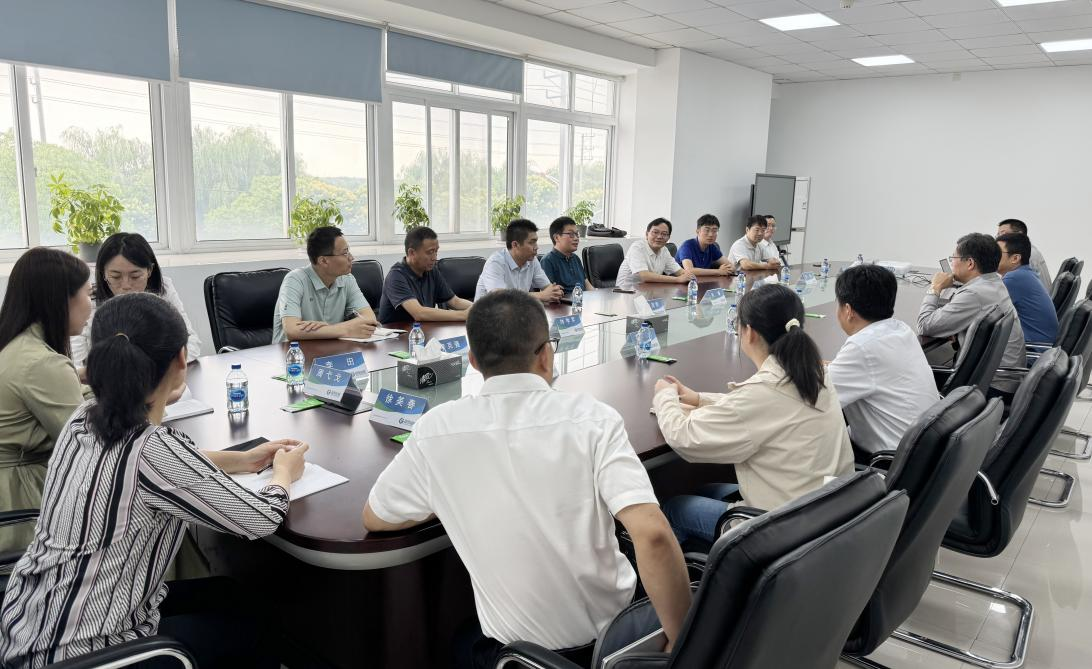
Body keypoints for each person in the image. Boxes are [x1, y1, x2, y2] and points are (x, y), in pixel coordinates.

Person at [363, 290, 692, 669]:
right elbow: (652, 534)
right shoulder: (593, 418)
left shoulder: (436, 429)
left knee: (460, 640)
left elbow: (375, 517)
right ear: (546, 354)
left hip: (523, 658)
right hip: (617, 641)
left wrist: (446, 492)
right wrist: (683, 641)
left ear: (473, 362)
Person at [0, 293, 310, 669]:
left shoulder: (84, 417)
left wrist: (241, 460)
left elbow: (154, 467)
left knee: (229, 593)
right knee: (260, 629)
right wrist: (284, 473)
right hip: (84, 652)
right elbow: (260, 518)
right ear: (181, 359)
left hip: (27, 625)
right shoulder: (152, 448)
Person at [652, 283, 853, 546]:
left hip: (781, 530)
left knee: (674, 507)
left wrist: (664, 396)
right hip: (827, 512)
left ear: (749, 333)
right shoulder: (815, 372)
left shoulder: (763, 393)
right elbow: (763, 408)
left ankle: (703, 571)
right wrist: (700, 399)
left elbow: (684, 437)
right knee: (707, 490)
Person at [0, 248, 92, 554]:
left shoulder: (17, 344)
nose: (90, 304)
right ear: (62, 299)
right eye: (87, 293)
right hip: (21, 501)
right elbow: (90, 442)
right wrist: (147, 399)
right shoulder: (42, 363)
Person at [828, 265, 939, 457]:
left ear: (848, 310)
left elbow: (816, 397)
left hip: (888, 460)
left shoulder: (862, 347)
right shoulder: (901, 329)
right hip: (923, 449)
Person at [70, 233, 202, 368]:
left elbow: (191, 342)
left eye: (135, 276)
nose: (126, 285)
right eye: (115, 277)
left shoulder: (164, 290)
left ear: (149, 271)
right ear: (103, 273)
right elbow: (76, 358)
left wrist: (156, 369)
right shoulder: (89, 299)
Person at [918, 232, 1026, 391]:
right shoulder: (994, 282)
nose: (952, 264)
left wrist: (935, 288)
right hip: (1002, 378)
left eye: (953, 258)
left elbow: (924, 325)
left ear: (970, 263)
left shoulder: (974, 294)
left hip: (988, 386)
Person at [272, 226, 379, 342]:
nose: (351, 257)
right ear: (323, 261)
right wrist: (346, 329)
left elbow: (369, 319)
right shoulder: (295, 280)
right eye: (345, 253)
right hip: (292, 351)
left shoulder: (347, 279)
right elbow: (292, 330)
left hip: (327, 350)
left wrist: (327, 328)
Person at [378, 226, 473, 323]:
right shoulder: (395, 276)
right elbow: (419, 313)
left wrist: (478, 308)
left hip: (423, 330)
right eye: (430, 252)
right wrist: (463, 315)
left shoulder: (431, 271)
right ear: (412, 253)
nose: (434, 257)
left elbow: (455, 302)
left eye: (436, 251)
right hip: (398, 332)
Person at [475, 219, 564, 303]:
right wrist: (540, 295)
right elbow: (499, 297)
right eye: (531, 242)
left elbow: (547, 287)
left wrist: (554, 292)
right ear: (515, 244)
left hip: (517, 312)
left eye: (536, 242)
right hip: (487, 312)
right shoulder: (495, 262)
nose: (537, 247)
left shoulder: (532, 260)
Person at [997, 232, 1059, 344]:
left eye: (997, 253)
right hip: (1040, 346)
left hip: (1031, 349)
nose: (992, 256)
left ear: (1015, 258)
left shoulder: (1014, 278)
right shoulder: (1025, 273)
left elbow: (985, 313)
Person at [615, 218, 696, 290]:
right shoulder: (637, 247)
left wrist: (689, 276)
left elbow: (679, 271)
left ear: (668, 238)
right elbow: (645, 276)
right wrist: (677, 279)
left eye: (664, 234)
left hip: (648, 292)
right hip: (626, 292)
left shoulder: (664, 250)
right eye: (655, 232)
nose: (659, 236)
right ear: (647, 234)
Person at [540, 216, 593, 293]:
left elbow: (586, 283)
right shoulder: (547, 261)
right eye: (571, 234)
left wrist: (596, 295)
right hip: (564, 300)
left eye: (576, 234)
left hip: (583, 299)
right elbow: (547, 293)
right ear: (556, 238)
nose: (576, 238)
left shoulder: (575, 258)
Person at [997, 219, 1051, 293]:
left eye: (1003, 233)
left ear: (1019, 234)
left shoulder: (1029, 255)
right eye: (998, 235)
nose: (999, 238)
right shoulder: (1030, 250)